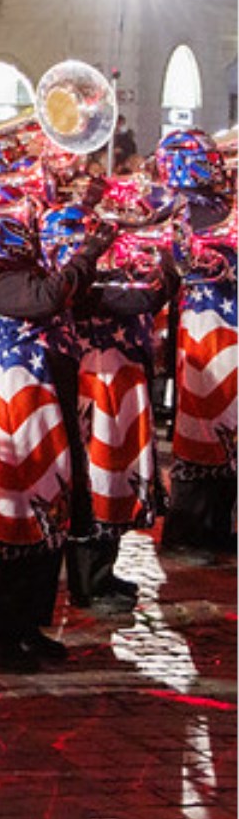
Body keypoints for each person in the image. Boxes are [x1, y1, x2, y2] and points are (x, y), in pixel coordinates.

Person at [0, 184, 115, 673]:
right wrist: (86, 253)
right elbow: (45, 300)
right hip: (15, 401)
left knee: (49, 515)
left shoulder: (18, 268)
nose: (29, 224)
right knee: (19, 519)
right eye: (19, 217)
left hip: (42, 396)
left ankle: (26, 626)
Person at [41, 204, 168, 612]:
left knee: (114, 476)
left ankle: (99, 573)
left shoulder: (89, 276)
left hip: (115, 376)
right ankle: (90, 581)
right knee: (103, 479)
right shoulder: (78, 282)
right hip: (99, 381)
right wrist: (168, 262)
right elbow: (139, 301)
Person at [153, 128, 236, 560]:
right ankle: (188, 527)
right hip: (208, 325)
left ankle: (215, 524)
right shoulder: (187, 209)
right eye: (208, 158)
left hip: (226, 322)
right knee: (204, 424)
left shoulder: (213, 204)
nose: (218, 164)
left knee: (227, 427)